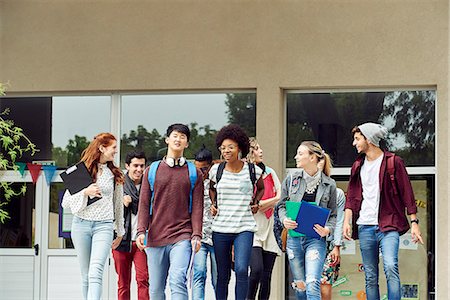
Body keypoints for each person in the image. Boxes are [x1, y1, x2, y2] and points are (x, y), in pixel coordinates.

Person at [343, 123, 423, 300]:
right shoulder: (357, 165)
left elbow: (407, 194)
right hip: (365, 226)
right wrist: (347, 221)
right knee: (370, 276)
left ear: (369, 139)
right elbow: (352, 196)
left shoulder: (393, 162)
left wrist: (414, 223)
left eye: (357, 139)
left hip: (389, 225)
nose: (354, 143)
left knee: (390, 266)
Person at [136, 123, 203, 300]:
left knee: (177, 280)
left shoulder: (194, 172)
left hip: (182, 235)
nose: (178, 139)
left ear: (187, 143)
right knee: (156, 289)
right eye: (175, 135)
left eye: (183, 137)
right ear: (167, 140)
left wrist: (196, 234)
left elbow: (197, 206)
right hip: (155, 236)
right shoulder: (152, 171)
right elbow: (143, 203)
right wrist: (141, 231)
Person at [62, 133, 125, 300]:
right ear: (102, 148)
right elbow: (65, 202)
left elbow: (118, 204)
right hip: (81, 225)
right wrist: (85, 192)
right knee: (86, 276)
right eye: (113, 148)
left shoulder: (114, 174)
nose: (115, 152)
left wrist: (120, 231)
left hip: (103, 226)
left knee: (96, 271)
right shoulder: (83, 170)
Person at [209, 124, 265, 300]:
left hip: (244, 227)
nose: (226, 151)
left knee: (241, 269)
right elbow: (212, 188)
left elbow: (261, 188)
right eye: (223, 148)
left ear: (239, 148)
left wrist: (255, 202)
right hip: (221, 228)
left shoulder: (252, 170)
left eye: (230, 147)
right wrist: (214, 203)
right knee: (223, 274)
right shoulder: (216, 170)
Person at [276, 140, 337, 300]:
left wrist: (328, 229)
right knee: (301, 286)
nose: (296, 157)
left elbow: (333, 215)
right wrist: (284, 220)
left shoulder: (329, 184)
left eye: (300, 153)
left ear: (312, 157)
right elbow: (281, 206)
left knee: (312, 283)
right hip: (293, 239)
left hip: (315, 240)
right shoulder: (291, 180)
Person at [246, 137, 281, 300]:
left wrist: (263, 203)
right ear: (249, 152)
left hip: (270, 227)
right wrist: (268, 202)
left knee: (267, 276)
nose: (261, 151)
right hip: (253, 228)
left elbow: (281, 196)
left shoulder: (270, 172)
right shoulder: (245, 174)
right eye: (257, 148)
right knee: (256, 271)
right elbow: (251, 203)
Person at [112, 150, 149, 300]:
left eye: (142, 166)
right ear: (127, 166)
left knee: (143, 279)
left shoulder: (149, 187)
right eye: (135, 166)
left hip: (141, 241)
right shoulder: (118, 185)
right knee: (123, 283)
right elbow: (104, 210)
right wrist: (119, 203)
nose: (139, 170)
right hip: (121, 241)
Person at [192, 145, 218, 300]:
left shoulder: (219, 183)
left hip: (217, 236)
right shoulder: (192, 184)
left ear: (211, 165)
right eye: (198, 169)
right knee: (199, 274)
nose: (201, 173)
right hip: (199, 237)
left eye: (204, 169)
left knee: (218, 278)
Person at [320, 187, 345, 300]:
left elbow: (339, 221)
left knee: (325, 282)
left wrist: (337, 245)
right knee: (306, 284)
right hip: (307, 241)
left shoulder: (337, 193)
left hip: (328, 243)